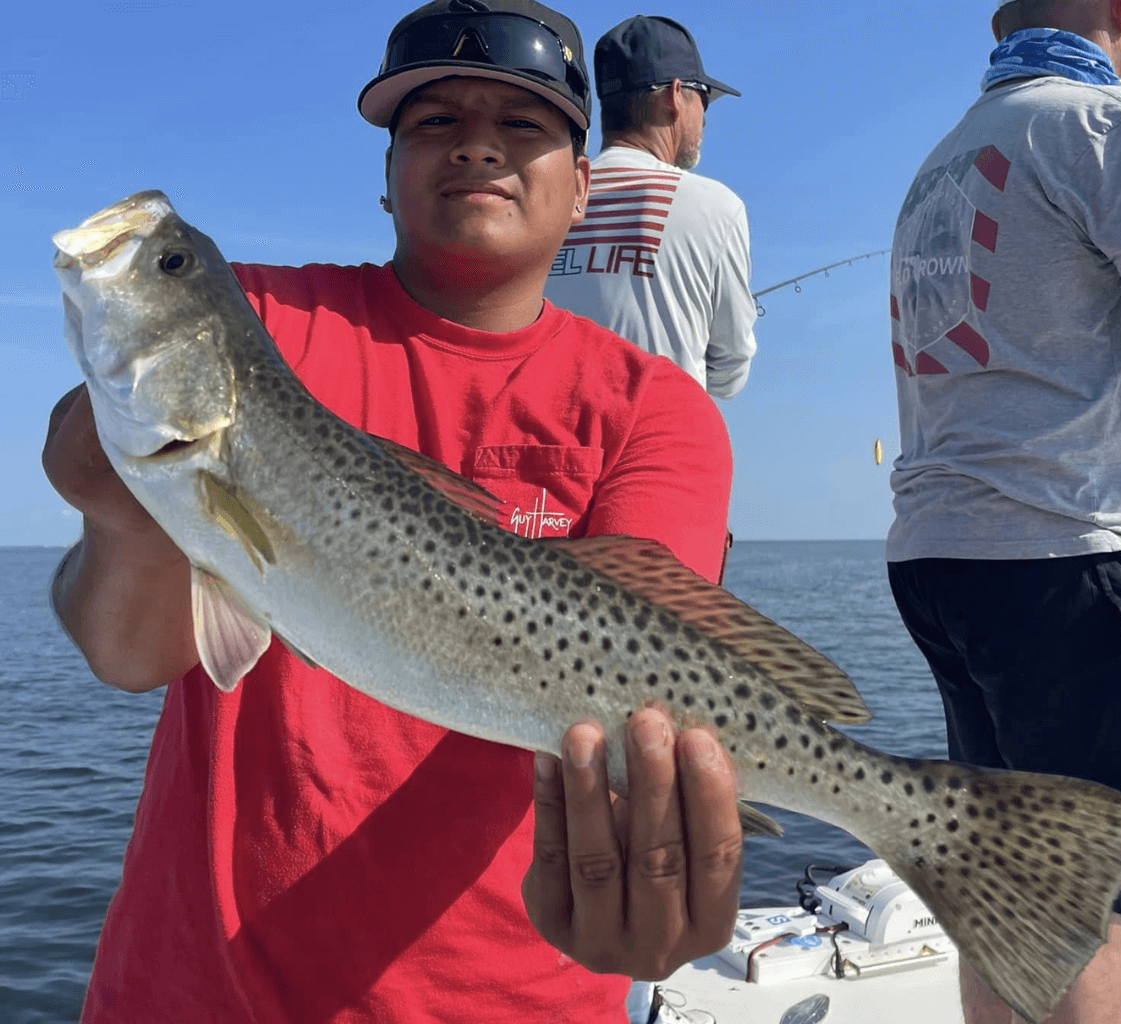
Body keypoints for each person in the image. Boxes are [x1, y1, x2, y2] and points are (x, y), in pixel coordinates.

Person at [41, 2, 747, 1021]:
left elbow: (647, 668)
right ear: (384, 178)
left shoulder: (658, 412)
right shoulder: (267, 323)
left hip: (517, 990)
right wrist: (119, 492)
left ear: (583, 181)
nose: (475, 143)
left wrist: (663, 860)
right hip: (188, 992)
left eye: (524, 124)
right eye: (432, 122)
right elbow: (127, 653)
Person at [886, 0, 1121, 1021]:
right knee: (1100, 896)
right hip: (1072, 553)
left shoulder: (943, 163)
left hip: (943, 559)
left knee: (1008, 887)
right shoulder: (1115, 125)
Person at [543, 15, 757, 400]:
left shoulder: (546, 200)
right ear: (675, 95)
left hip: (550, 450)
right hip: (663, 449)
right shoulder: (718, 208)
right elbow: (731, 368)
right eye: (703, 99)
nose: (705, 118)